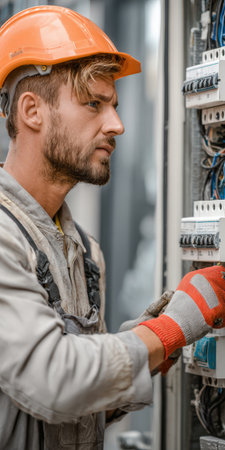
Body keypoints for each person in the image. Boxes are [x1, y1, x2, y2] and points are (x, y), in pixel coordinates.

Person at [0, 5, 225, 450]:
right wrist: (167, 332)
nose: (117, 125)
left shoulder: (83, 250)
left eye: (114, 105)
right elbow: (53, 378)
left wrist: (142, 349)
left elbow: (71, 406)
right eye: (93, 104)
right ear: (32, 111)